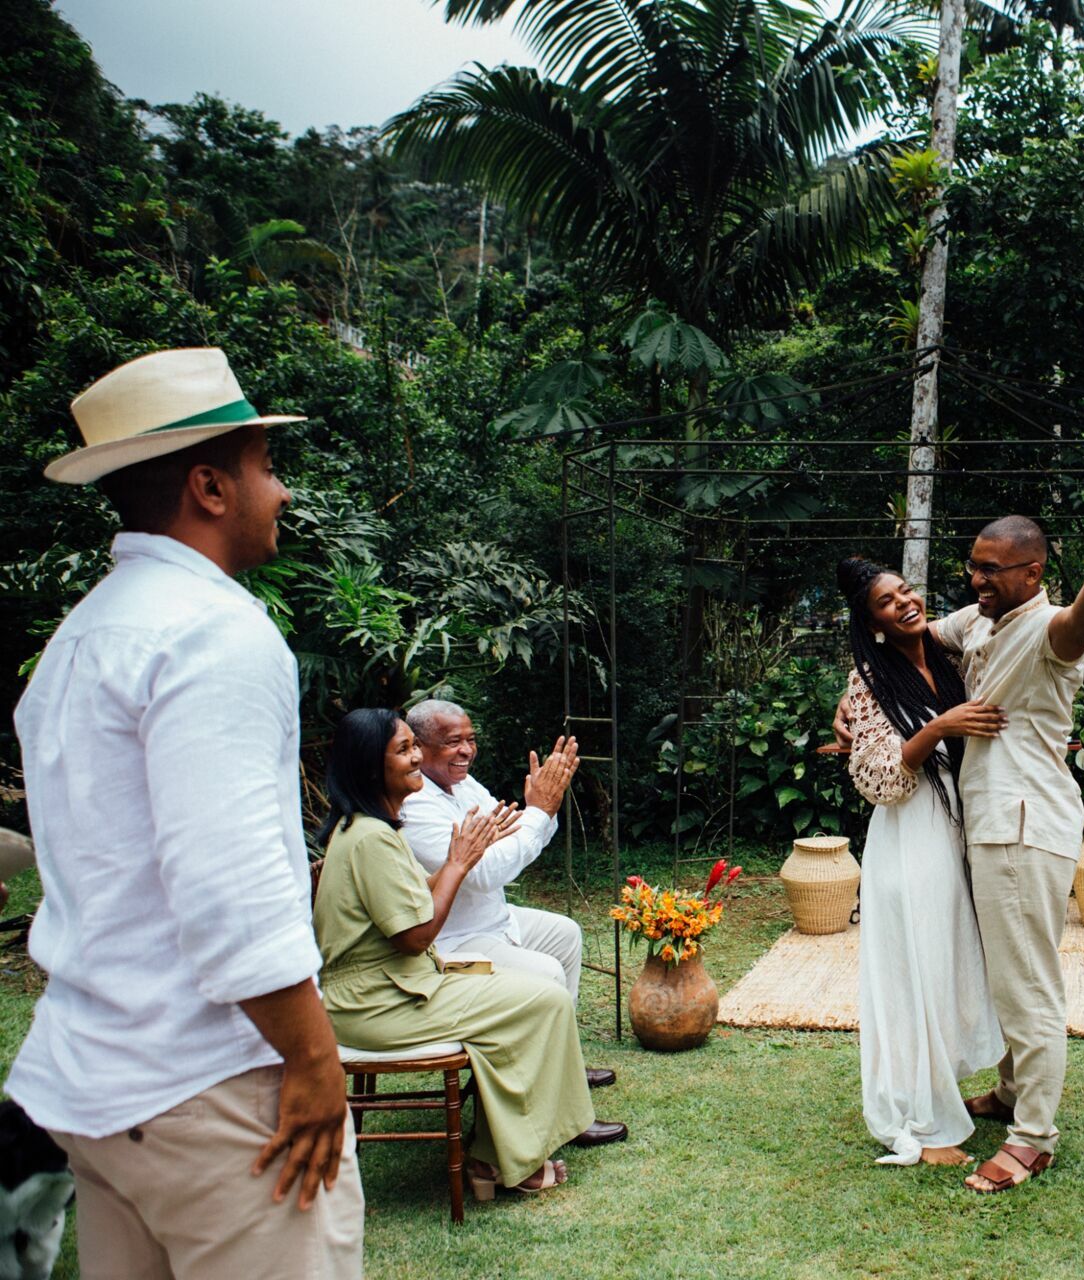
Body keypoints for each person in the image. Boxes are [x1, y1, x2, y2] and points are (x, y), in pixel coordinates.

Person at [8, 347, 363, 1276]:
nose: (283, 491)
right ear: (209, 487)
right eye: (266, 467)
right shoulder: (215, 631)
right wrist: (313, 1060)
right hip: (216, 1088)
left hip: (102, 1089)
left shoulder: (79, 638)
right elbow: (230, 887)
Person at [868, 492, 1084, 1192]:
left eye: (992, 570)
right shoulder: (978, 621)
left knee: (1027, 985)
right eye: (974, 566)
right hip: (986, 824)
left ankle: (1033, 1138)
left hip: (1022, 826)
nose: (977, 579)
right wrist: (855, 698)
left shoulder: (1049, 628)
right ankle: (1013, 1091)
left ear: (1032, 572)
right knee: (1006, 973)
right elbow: (905, 640)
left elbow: (1083, 618)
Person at [312, 709, 599, 1199]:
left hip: (399, 984)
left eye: (414, 746)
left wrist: (462, 858)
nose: (416, 758)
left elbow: (412, 901)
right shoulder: (372, 837)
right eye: (405, 749)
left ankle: (504, 1147)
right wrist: (459, 862)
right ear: (370, 766)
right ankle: (499, 1162)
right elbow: (415, 935)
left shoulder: (372, 828)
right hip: (377, 1002)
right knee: (544, 996)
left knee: (539, 983)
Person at [837, 557, 1007, 1166]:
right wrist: (940, 726)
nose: (904, 602)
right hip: (910, 836)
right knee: (915, 974)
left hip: (957, 825)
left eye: (906, 590)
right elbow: (877, 777)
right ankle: (924, 1122)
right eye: (887, 602)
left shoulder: (947, 653)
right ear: (873, 624)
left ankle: (953, 1088)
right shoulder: (867, 679)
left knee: (950, 963)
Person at [399, 699, 625, 1129]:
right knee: (546, 973)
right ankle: (553, 1100)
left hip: (494, 920)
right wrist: (536, 813)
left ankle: (559, 1066)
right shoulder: (415, 804)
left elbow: (515, 836)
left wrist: (541, 810)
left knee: (565, 934)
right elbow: (485, 872)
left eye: (471, 740)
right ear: (419, 748)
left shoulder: (464, 786)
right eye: (453, 741)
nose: (466, 751)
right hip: (453, 940)